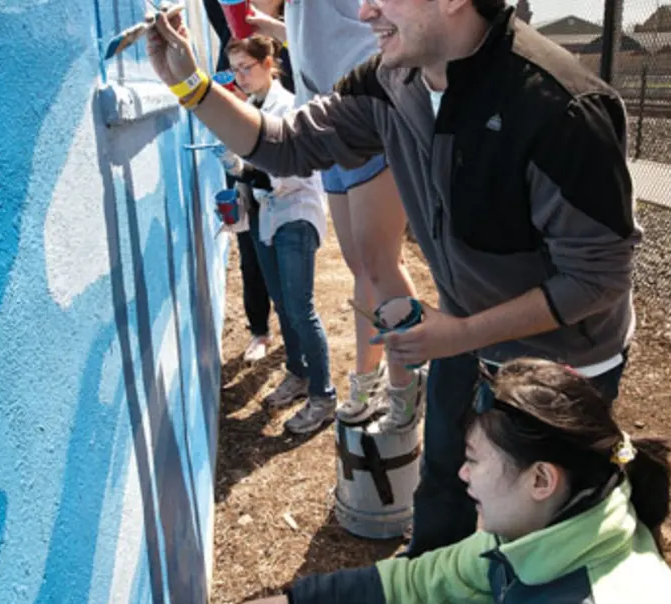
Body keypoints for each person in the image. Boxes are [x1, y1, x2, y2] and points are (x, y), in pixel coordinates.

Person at [146, 0, 640, 555]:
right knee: (446, 481)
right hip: (465, 334)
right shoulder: (391, 81)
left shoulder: (561, 107)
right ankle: (428, 569)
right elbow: (287, 146)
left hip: (562, 362)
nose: (364, 12)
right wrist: (190, 84)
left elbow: (596, 278)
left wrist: (460, 334)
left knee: (539, 529)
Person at [241, 359, 671, 604]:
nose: (461, 474)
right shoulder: (540, 529)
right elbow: (419, 581)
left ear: (540, 479)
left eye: (474, 461)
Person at [245, 0, 424, 434]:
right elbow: (323, 38)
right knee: (361, 265)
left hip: (365, 113)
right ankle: (370, 376)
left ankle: (408, 381)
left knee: (381, 263)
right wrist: (272, 25)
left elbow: (371, 30)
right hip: (326, 123)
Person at [218, 34, 336, 434]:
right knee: (282, 304)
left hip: (295, 215)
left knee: (300, 308)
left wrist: (241, 168)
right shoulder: (251, 106)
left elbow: (283, 173)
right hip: (267, 218)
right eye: (234, 70)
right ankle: (298, 374)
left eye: (246, 68)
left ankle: (324, 396)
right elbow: (251, 173)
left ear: (270, 63)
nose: (240, 77)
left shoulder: (287, 106)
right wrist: (234, 173)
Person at [203, 0, 292, 363]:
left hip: (283, 147)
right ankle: (260, 329)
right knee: (249, 243)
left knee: (288, 246)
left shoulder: (289, 25)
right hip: (240, 144)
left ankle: (294, 325)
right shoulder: (232, 22)